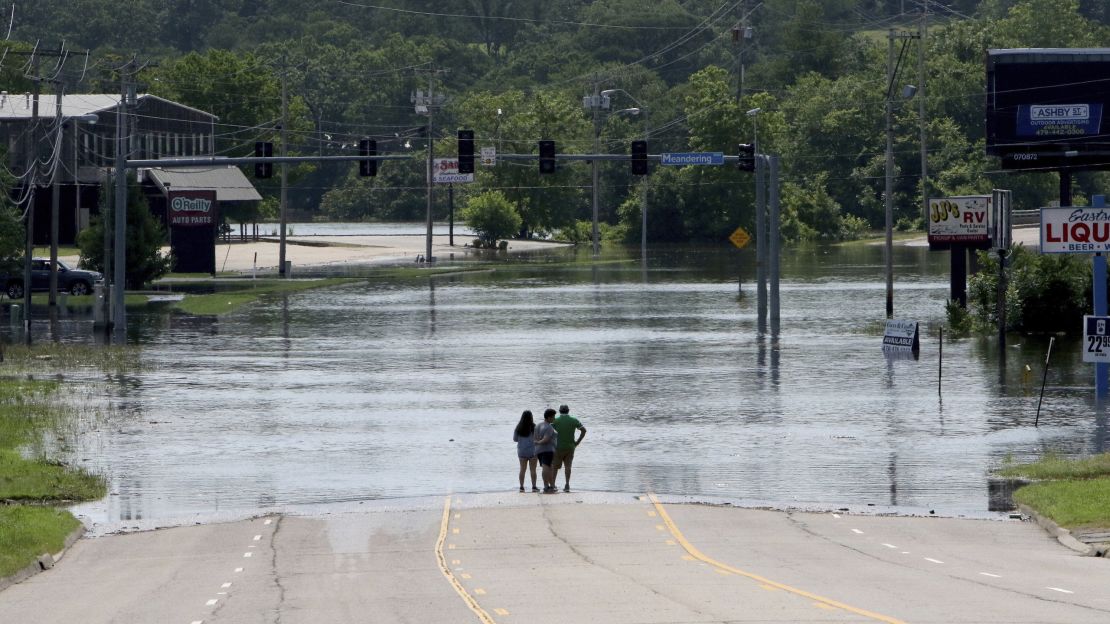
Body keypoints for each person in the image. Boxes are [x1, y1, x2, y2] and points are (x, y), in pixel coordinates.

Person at [551, 404, 586, 492]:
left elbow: (549, 431)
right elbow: (584, 430)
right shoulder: (574, 420)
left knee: (555, 467)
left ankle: (553, 485)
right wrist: (577, 442)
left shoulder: (555, 421)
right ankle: (567, 485)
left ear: (559, 411)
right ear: (568, 410)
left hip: (557, 447)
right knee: (568, 466)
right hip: (570, 447)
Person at [533, 408, 558, 493]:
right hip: (548, 450)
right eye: (553, 417)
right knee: (546, 467)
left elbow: (535, 438)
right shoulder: (549, 427)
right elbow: (546, 439)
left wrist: (537, 442)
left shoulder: (538, 425)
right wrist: (540, 442)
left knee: (547, 467)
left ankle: (551, 485)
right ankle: (546, 486)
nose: (554, 418)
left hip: (539, 450)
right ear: (548, 417)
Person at [513, 410, 539, 492]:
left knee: (522, 469)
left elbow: (515, 439)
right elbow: (538, 438)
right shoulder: (535, 427)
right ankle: (534, 487)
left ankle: (521, 487)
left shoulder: (518, 427)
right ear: (531, 417)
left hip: (522, 451)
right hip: (533, 451)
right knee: (533, 470)